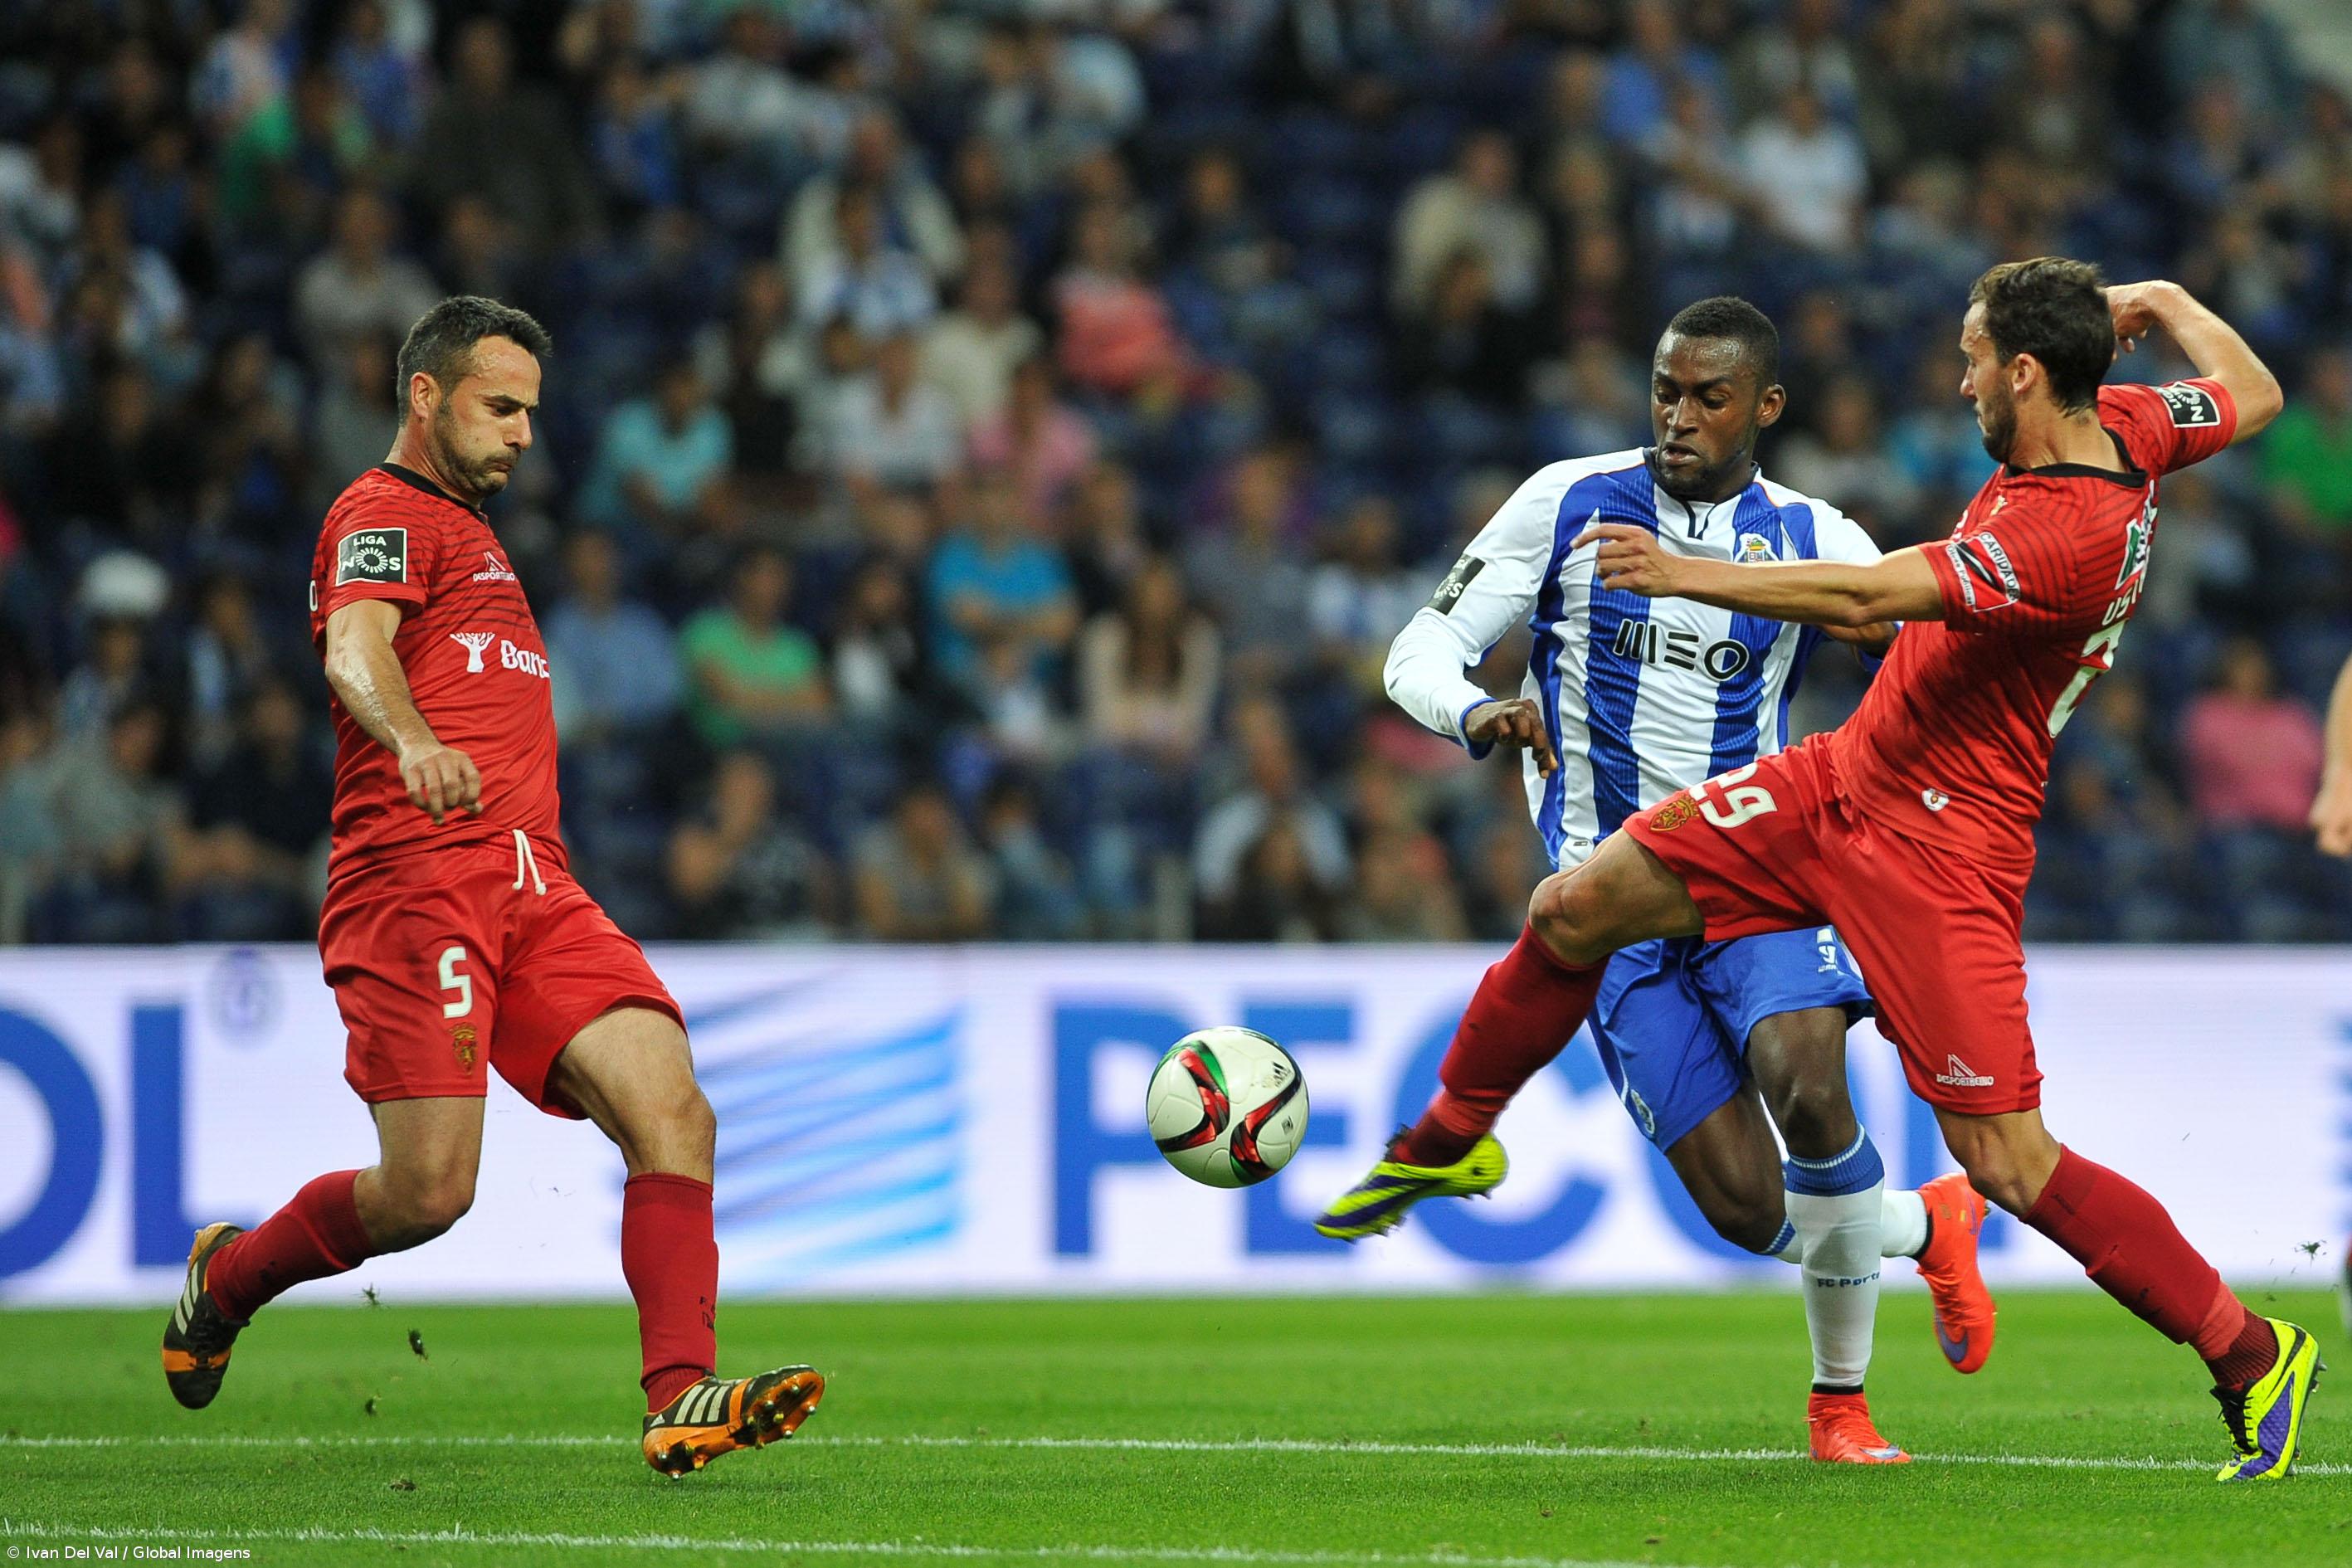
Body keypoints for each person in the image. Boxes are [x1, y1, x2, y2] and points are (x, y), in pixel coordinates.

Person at [1326, 261, 2309, 1481]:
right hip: (1838, 780)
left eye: (1969, 360)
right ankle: (1453, 1130)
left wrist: (1690, 572)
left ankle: (2249, 1347)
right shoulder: (2127, 421)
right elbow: (2253, 391)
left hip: (1940, 850)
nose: (1955, 384)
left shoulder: (2069, 534)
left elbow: (1864, 590)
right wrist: (2161, 298)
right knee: (1576, 904)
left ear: (2023, 372)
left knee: (2006, 1159)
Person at [158, 297, 825, 1477]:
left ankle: (679, 1395)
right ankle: (232, 1273)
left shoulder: (479, 535)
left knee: (675, 1109)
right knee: (427, 1191)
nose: (523, 433)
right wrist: (411, 739)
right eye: (499, 406)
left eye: (531, 411)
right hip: (417, 879)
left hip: (536, 884)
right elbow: (353, 644)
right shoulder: (382, 511)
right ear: (426, 396)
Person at [1325, 296, 1990, 1466]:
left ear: (1766, 408)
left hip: (1762, 877)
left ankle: (1841, 1405)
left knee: (1808, 1075)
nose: (1679, 418)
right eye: (1665, 393)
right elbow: (1415, 650)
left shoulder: (1814, 535)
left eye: (1709, 398)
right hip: (1612, 909)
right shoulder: (1566, 502)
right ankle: (1925, 1222)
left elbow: (1929, 632)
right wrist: (1477, 708)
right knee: (1742, 1205)